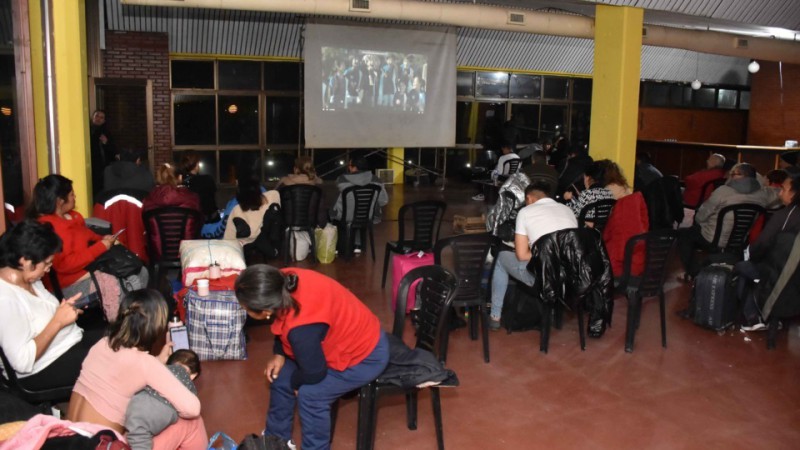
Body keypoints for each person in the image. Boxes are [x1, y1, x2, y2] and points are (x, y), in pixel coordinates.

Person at [234, 265, 390, 450]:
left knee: (311, 395)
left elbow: (315, 372)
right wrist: (279, 353)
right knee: (280, 374)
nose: (243, 311)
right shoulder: (284, 279)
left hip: (365, 356)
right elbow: (285, 325)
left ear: (266, 311)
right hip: (333, 339)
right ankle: (275, 440)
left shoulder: (301, 329)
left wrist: (297, 384)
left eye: (245, 308)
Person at [67, 289, 207, 449]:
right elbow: (192, 408)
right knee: (192, 423)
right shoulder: (145, 364)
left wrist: (158, 362)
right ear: (156, 327)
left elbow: (125, 370)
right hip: (101, 446)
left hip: (70, 440)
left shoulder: (102, 344)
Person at [0, 220, 104, 391]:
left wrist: (64, 312)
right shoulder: (6, 299)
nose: (48, 269)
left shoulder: (29, 278)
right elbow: (22, 362)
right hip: (41, 369)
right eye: (47, 264)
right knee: (119, 361)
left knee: (124, 338)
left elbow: (41, 316)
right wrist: (58, 321)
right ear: (25, 261)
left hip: (69, 343)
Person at [30, 175, 147, 321]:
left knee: (139, 270)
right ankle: (124, 326)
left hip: (88, 268)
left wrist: (105, 240)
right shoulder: (49, 227)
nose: (75, 197)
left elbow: (89, 236)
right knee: (129, 281)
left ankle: (136, 322)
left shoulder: (73, 217)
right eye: (72, 194)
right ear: (60, 201)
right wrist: (101, 247)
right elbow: (65, 265)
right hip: (69, 283)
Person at [489, 181, 578, 330]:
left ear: (529, 199)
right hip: (568, 278)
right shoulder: (567, 210)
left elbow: (522, 255)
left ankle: (495, 316)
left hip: (542, 279)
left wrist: (537, 252)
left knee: (501, 258)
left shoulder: (526, 212)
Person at [677, 162, 780, 278]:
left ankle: (694, 272)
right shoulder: (763, 194)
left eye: (733, 174)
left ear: (739, 175)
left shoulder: (722, 191)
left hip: (713, 240)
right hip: (739, 242)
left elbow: (701, 216)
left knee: (684, 234)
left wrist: (704, 224)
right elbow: (780, 195)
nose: (730, 176)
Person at [736, 173, 800, 329]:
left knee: (742, 267)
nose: (779, 193)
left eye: (783, 189)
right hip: (795, 279)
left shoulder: (784, 216)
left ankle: (753, 317)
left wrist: (750, 256)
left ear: (795, 193)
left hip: (780, 276)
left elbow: (761, 245)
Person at [125, 349, 201, 450]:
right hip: (161, 409)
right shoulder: (187, 382)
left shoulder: (161, 368)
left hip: (138, 401)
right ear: (193, 375)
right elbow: (190, 408)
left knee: (136, 429)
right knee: (141, 436)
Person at [223, 172, 281, 245]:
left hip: (246, 245)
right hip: (272, 241)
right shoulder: (273, 195)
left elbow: (228, 239)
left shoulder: (237, 210)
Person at [180, 151, 218, 221]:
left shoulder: (181, 182)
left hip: (188, 221)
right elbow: (212, 201)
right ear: (196, 164)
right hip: (209, 221)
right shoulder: (207, 179)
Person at [90, 110, 114, 197]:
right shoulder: (85, 130)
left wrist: (106, 143)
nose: (98, 119)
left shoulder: (106, 133)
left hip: (101, 167)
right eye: (97, 116)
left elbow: (113, 152)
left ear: (104, 121)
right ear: (92, 117)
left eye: (101, 117)